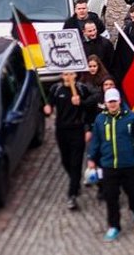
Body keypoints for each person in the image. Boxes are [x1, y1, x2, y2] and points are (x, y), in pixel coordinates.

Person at [87, 88, 134, 241]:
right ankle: (114, 226)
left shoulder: (131, 118)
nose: (112, 104)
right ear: (105, 103)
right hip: (109, 166)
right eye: (109, 102)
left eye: (114, 101)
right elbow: (96, 140)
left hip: (129, 164)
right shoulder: (99, 120)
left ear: (119, 101)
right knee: (111, 196)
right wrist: (91, 158)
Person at [43, 71, 95, 210]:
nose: (68, 77)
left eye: (71, 74)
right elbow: (49, 104)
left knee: (76, 162)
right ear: (62, 75)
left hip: (77, 129)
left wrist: (88, 126)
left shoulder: (81, 89)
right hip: (61, 130)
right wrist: (47, 108)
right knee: (65, 160)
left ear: (75, 74)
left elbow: (91, 107)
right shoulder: (56, 89)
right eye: (65, 74)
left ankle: (71, 195)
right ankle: (75, 181)